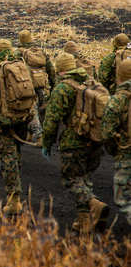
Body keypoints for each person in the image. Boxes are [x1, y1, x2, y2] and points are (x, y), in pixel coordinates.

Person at [42, 52, 110, 233]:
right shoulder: (92, 83)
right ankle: (83, 221)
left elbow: (51, 120)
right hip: (95, 140)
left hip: (74, 142)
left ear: (60, 70)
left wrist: (46, 143)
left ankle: (93, 204)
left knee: (71, 179)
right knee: (84, 177)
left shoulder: (63, 88)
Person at [0, 39, 37, 216]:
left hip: (1, 120)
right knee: (16, 153)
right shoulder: (21, 66)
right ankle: (16, 188)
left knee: (7, 157)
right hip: (21, 117)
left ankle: (14, 200)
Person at [101, 58, 131, 227]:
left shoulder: (117, 100)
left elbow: (107, 134)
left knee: (123, 197)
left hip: (126, 153)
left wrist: (116, 151)